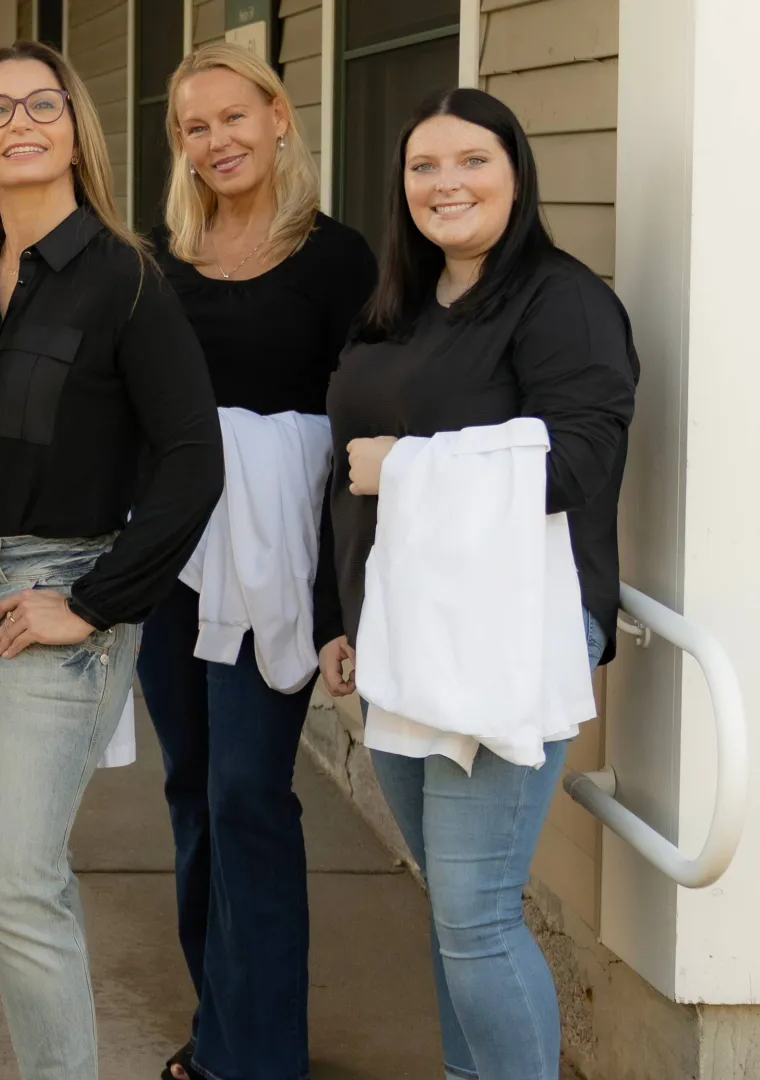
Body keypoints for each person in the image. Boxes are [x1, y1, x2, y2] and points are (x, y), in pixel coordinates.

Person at [0, 41, 224, 1080]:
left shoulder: (125, 280)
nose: (20, 123)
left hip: (51, 597)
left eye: (42, 105)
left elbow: (193, 462)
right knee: (3, 875)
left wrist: (94, 602)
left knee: (17, 877)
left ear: (75, 129)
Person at [320, 87, 637, 1080]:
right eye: (424, 167)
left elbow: (578, 463)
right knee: (452, 906)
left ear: (517, 174)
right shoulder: (403, 303)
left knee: (477, 912)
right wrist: (346, 618)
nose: (446, 183)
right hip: (403, 631)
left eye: (472, 162)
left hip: (507, 633)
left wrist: (406, 462)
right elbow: (346, 473)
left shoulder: (564, 303)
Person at [136, 43, 376, 1080]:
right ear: (179, 146)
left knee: (248, 789)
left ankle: (261, 1055)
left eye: (236, 117)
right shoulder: (157, 256)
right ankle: (222, 1025)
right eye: (196, 126)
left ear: (280, 119)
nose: (219, 140)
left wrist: (344, 592)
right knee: (192, 788)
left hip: (279, 554)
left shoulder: (338, 259)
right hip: (170, 554)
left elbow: (363, 418)